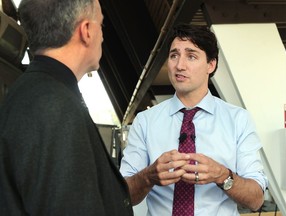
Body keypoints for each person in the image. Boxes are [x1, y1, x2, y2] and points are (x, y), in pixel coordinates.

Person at [0, 0, 133, 215]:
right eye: (102, 25)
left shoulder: (36, 91)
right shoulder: (53, 106)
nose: (103, 35)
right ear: (87, 31)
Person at [120, 23, 268, 216]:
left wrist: (222, 176)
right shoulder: (144, 121)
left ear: (211, 64)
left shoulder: (238, 119)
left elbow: (256, 200)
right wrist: (148, 176)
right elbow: (122, 196)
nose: (179, 65)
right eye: (174, 55)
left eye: (191, 56)